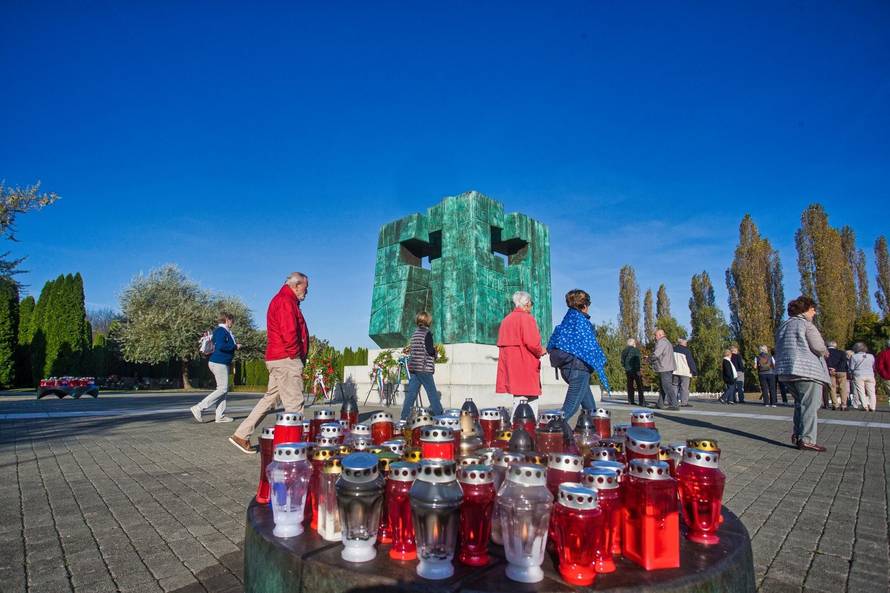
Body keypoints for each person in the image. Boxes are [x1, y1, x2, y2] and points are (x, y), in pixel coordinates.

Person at [229, 272, 310, 454]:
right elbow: (289, 332)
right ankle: (292, 451)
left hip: (278, 358)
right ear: (296, 285)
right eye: (306, 287)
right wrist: (295, 357)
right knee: (294, 404)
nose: (307, 291)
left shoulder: (284, 300)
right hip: (286, 359)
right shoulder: (285, 301)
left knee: (270, 399)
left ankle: (241, 435)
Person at [775, 295, 829, 452]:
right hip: (807, 370)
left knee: (800, 404)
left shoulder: (783, 326)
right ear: (806, 310)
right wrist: (825, 352)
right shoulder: (806, 325)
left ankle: (798, 435)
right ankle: (807, 439)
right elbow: (818, 347)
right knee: (810, 405)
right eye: (813, 310)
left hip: (787, 371)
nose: (814, 313)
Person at [547, 289, 611, 419]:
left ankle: (591, 429)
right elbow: (591, 347)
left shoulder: (568, 319)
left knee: (590, 408)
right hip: (578, 369)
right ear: (584, 305)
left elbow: (554, 341)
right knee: (569, 408)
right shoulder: (581, 322)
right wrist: (601, 361)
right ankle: (551, 429)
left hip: (567, 368)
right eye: (588, 304)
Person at [496, 291, 546, 420]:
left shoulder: (506, 320)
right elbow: (532, 343)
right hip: (525, 362)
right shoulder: (527, 318)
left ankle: (516, 423)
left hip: (511, 364)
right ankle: (525, 424)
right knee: (530, 398)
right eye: (531, 303)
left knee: (518, 396)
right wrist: (541, 350)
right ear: (527, 303)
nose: (531, 306)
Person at [191, 312, 240, 423]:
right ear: (227, 320)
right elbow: (221, 346)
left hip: (219, 362)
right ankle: (199, 407)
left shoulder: (220, 331)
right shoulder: (221, 331)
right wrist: (235, 346)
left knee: (223, 390)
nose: (233, 323)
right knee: (222, 389)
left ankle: (220, 416)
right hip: (219, 362)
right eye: (232, 321)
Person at [400, 311, 444, 420]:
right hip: (424, 368)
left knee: (411, 394)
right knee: (432, 393)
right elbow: (429, 351)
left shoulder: (415, 334)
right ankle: (440, 417)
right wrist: (435, 352)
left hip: (414, 368)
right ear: (427, 321)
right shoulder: (427, 333)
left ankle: (403, 418)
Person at [649, 329, 677, 410]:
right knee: (663, 386)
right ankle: (660, 404)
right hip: (667, 367)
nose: (655, 337)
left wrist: (649, 359)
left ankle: (674, 404)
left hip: (664, 368)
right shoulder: (667, 342)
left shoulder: (661, 342)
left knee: (667, 386)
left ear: (660, 335)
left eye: (656, 335)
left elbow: (656, 354)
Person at [850, 342, 877, 412]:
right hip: (870, 375)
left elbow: (851, 367)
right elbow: (873, 366)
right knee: (872, 392)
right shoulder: (871, 356)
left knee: (861, 391)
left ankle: (865, 406)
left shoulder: (854, 356)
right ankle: (872, 407)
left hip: (859, 375)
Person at [672, 338, 697, 407]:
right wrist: (694, 372)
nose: (686, 344)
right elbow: (690, 362)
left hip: (674, 371)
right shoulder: (686, 351)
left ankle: (673, 401)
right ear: (682, 343)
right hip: (685, 372)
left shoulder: (673, 349)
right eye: (686, 343)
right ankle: (684, 403)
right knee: (684, 388)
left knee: (674, 386)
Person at [620, 338, 646, 407]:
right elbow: (637, 361)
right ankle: (642, 402)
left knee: (630, 385)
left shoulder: (624, 350)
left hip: (628, 370)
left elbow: (622, 361)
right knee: (639, 386)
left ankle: (631, 401)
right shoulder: (635, 350)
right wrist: (638, 370)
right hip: (635, 370)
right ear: (633, 343)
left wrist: (625, 367)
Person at [825, 340, 849, 411]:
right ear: (835, 346)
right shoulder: (841, 352)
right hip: (841, 371)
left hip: (830, 371)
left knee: (832, 388)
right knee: (843, 388)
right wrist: (837, 368)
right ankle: (844, 405)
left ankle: (835, 404)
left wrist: (831, 368)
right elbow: (844, 362)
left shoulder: (825, 352)